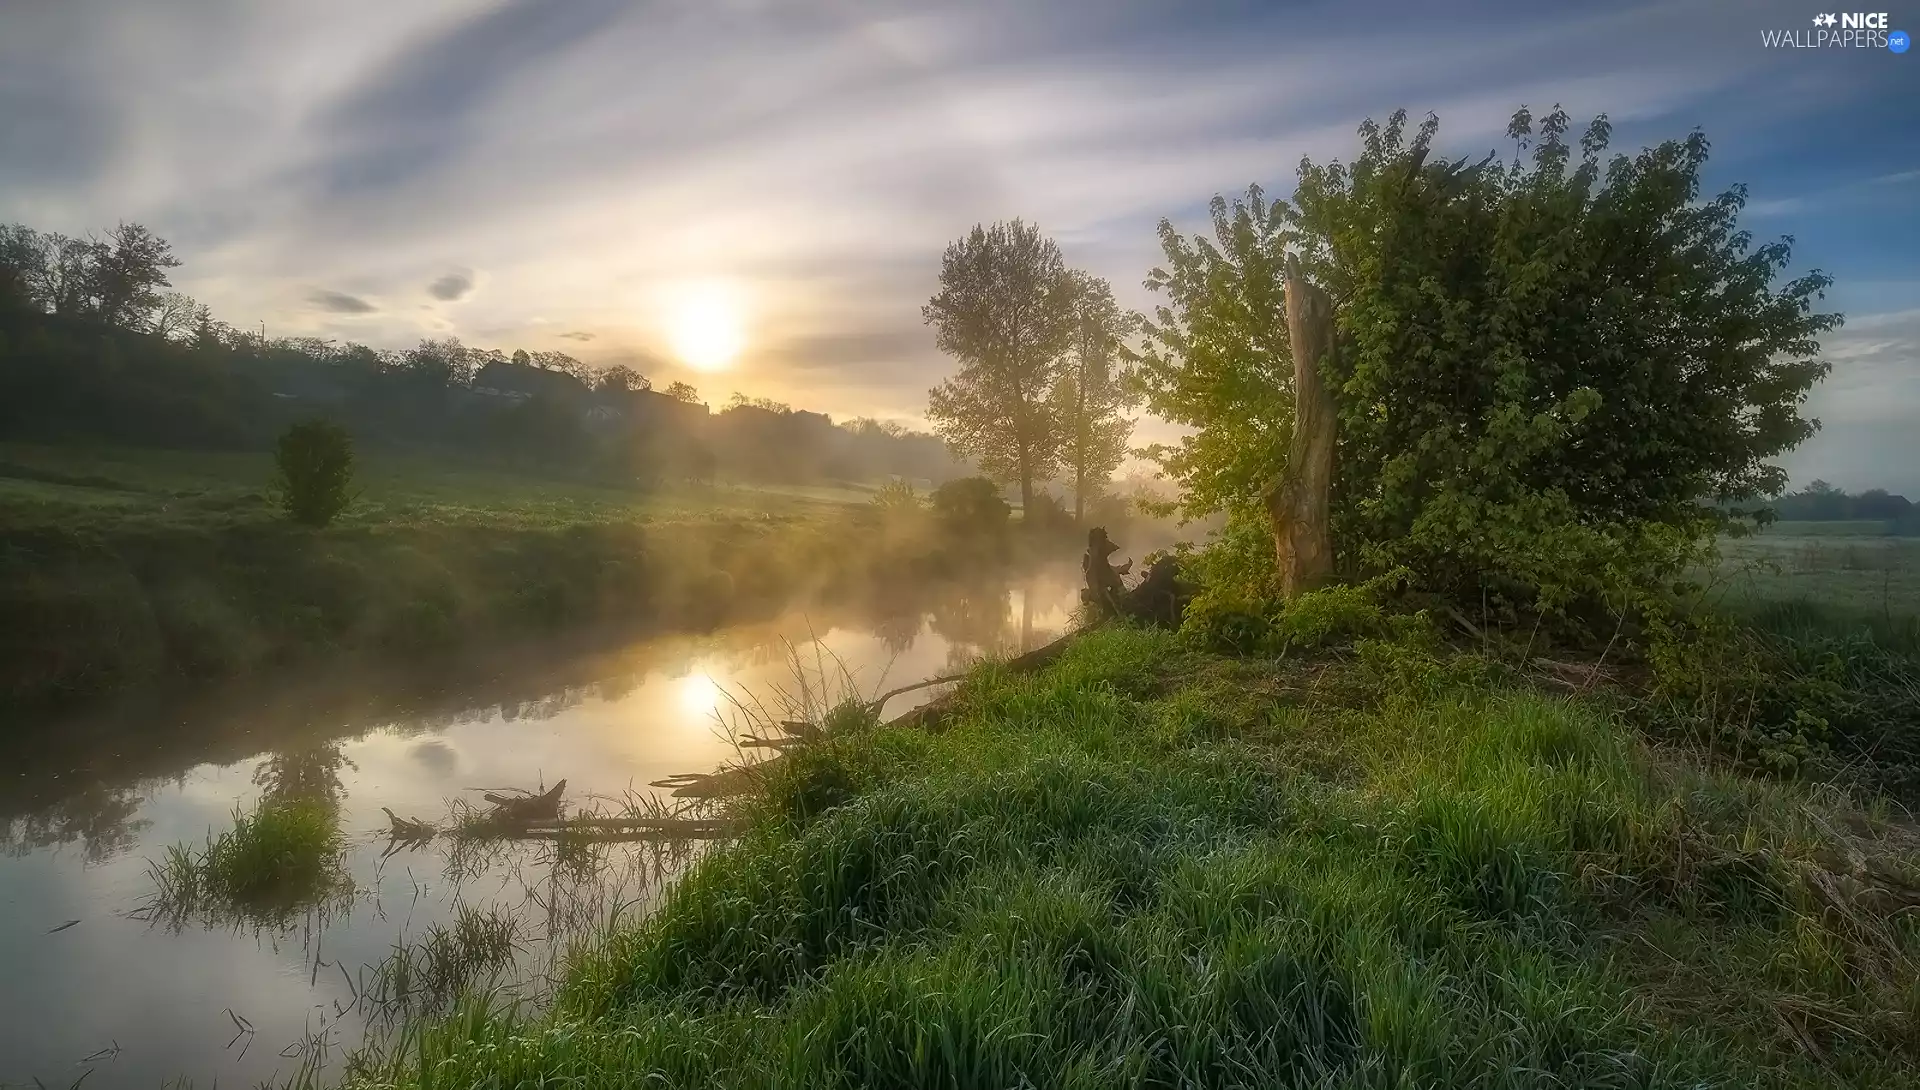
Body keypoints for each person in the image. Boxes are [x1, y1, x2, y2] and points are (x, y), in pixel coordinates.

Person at [1081, 526, 1132, 618]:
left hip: (1108, 585)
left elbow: (1106, 569)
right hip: (1103, 590)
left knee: (1122, 599)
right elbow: (1093, 573)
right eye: (1104, 540)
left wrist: (1120, 569)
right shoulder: (1092, 555)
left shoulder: (1095, 556)